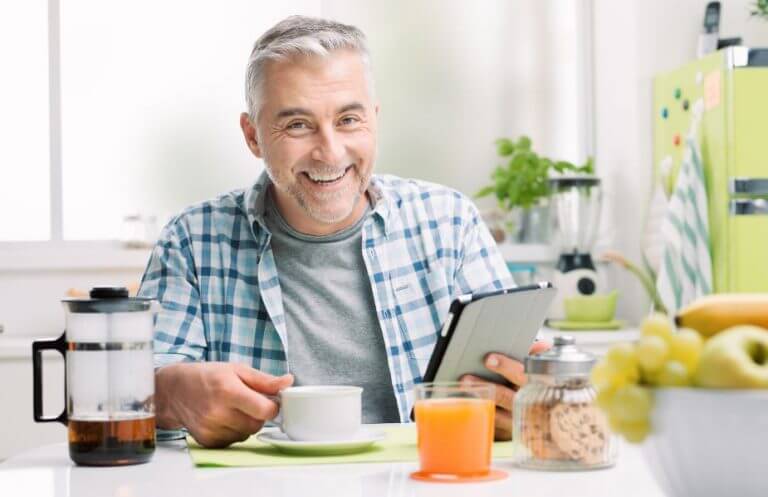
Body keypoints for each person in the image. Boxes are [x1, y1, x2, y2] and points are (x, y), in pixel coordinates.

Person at [139, 15, 548, 448]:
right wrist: (169, 395)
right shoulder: (192, 240)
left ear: (375, 118)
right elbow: (128, 394)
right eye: (297, 125)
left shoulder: (450, 223)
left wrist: (521, 403)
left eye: (349, 120)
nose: (330, 153)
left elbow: (526, 379)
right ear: (253, 136)